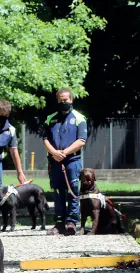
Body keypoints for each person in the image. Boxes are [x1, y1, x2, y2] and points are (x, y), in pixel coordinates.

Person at [43, 88, 87, 235]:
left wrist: (64, 153)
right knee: (57, 191)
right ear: (57, 100)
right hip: (55, 161)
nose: (63, 102)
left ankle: (72, 222)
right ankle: (59, 222)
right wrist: (55, 153)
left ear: (71, 100)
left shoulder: (79, 118)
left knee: (73, 190)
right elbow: (45, 139)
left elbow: (81, 141)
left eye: (66, 99)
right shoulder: (50, 118)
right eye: (61, 99)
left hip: (72, 161)